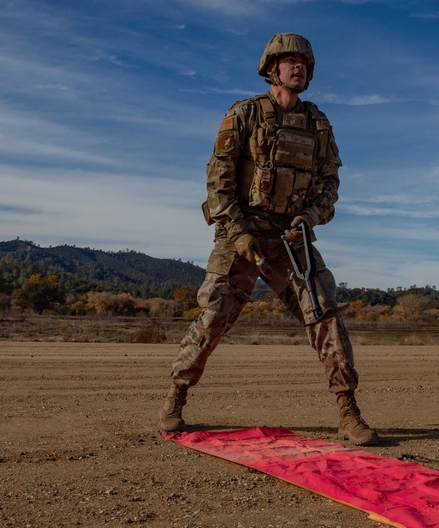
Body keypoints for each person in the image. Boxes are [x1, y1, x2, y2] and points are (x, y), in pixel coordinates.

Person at [158, 32, 379, 446]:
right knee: (213, 317)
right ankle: (176, 396)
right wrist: (237, 232)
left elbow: (330, 183)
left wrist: (310, 216)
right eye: (290, 61)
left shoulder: (318, 124)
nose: (299, 67)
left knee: (324, 313)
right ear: (271, 69)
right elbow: (218, 182)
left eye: (305, 63)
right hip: (241, 231)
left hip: (289, 236)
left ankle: (348, 411)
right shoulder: (243, 114)